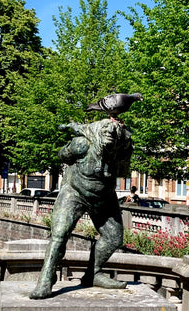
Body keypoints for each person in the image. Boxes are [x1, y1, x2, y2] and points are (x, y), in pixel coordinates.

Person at [30, 118, 133, 299]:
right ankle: (45, 280)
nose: (110, 132)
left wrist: (125, 138)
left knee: (114, 238)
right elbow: (62, 155)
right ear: (97, 132)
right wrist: (70, 149)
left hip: (103, 197)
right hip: (74, 193)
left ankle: (93, 273)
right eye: (106, 129)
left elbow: (123, 170)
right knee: (59, 235)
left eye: (114, 131)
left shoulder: (120, 151)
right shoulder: (81, 144)